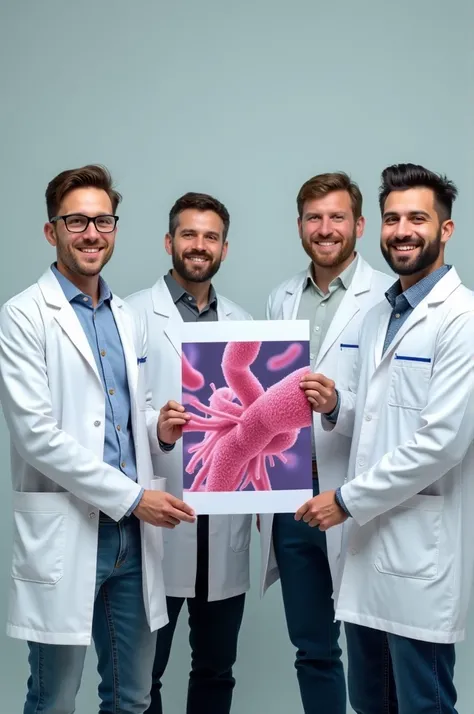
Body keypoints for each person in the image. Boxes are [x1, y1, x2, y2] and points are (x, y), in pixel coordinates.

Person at [0, 165, 196, 714]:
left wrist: (157, 426)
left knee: (132, 698)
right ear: (51, 230)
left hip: (132, 542)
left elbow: (124, 413)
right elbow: (37, 435)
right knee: (55, 698)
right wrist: (135, 497)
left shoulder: (126, 316)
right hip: (70, 527)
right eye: (77, 221)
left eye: (103, 221)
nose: (92, 233)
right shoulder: (23, 316)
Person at [297, 163, 474, 714]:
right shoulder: (379, 317)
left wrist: (346, 500)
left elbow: (442, 442)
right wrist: (335, 407)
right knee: (369, 701)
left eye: (417, 218)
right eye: (393, 218)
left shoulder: (462, 318)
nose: (402, 230)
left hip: (417, 551)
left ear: (444, 230)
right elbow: (373, 421)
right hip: (366, 551)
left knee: (422, 703)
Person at [259, 172, 392, 714]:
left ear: (359, 225)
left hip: (354, 495)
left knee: (370, 642)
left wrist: (337, 405)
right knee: (312, 645)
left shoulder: (388, 294)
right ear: (299, 227)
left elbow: (391, 412)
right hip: (292, 495)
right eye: (314, 218)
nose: (325, 228)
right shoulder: (281, 298)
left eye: (337, 217)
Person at [127, 192, 252, 714]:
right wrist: (157, 430)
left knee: (216, 670)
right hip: (160, 519)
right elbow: (110, 418)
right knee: (143, 675)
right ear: (168, 242)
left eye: (210, 237)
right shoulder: (129, 315)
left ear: (225, 247)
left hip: (224, 524)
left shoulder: (248, 327)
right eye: (188, 234)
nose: (199, 246)